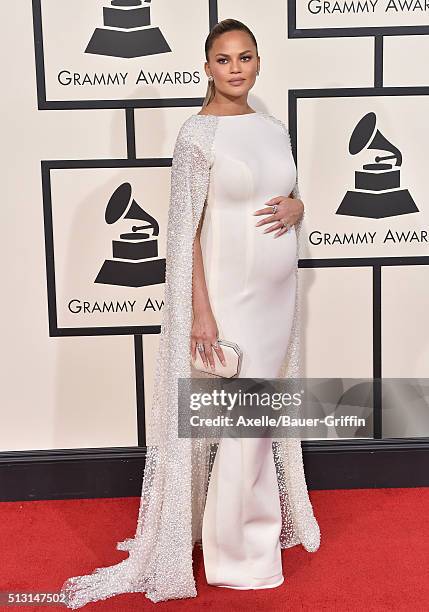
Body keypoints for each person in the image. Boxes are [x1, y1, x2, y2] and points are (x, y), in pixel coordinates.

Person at [60, 18, 320, 608]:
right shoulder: (197, 136)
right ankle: (239, 557)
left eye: (246, 57)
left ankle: (249, 539)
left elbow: (287, 195)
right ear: (206, 68)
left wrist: (299, 206)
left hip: (279, 297)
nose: (236, 68)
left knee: (257, 422)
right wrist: (201, 315)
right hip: (232, 298)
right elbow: (184, 236)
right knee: (243, 426)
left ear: (259, 63)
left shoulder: (272, 127)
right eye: (224, 59)